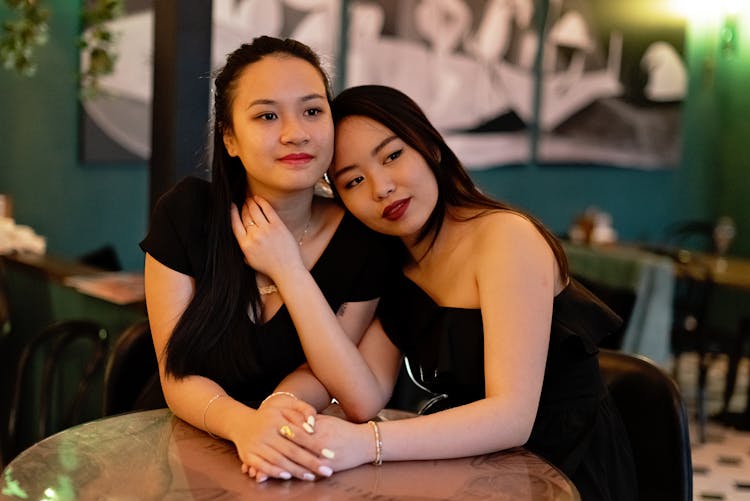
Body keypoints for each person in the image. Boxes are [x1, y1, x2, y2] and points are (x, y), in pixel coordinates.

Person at [271, 84, 638, 499]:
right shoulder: (395, 265)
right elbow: (365, 389)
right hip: (474, 468)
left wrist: (366, 443)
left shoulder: (504, 238)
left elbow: (511, 418)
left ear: (430, 146)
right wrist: (283, 406)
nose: (381, 188)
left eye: (392, 156)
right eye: (353, 180)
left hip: (561, 471)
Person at [140, 38, 394, 484]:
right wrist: (247, 427)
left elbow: (330, 377)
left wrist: (288, 270)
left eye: (313, 111)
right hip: (175, 454)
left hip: (292, 451)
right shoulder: (185, 215)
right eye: (267, 115)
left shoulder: (363, 238)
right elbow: (175, 373)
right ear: (230, 139)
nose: (295, 132)